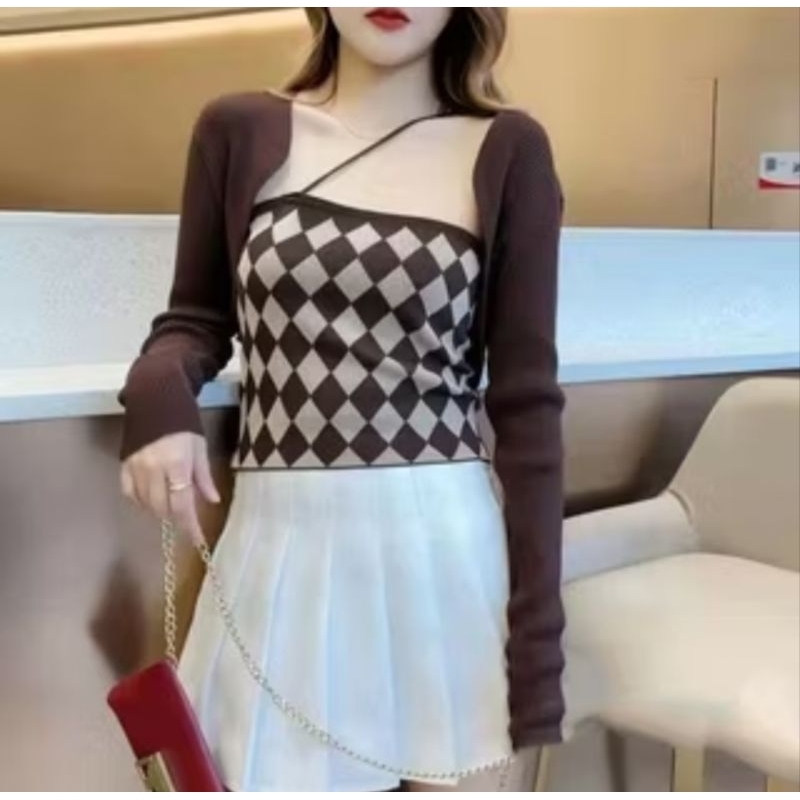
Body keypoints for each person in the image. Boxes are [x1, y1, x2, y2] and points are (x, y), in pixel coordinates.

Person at [119, 7, 565, 792]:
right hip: (281, 551)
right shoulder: (238, 130)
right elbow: (195, 319)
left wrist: (539, 658)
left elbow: (527, 410)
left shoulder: (507, 150)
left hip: (443, 557)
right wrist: (158, 396)